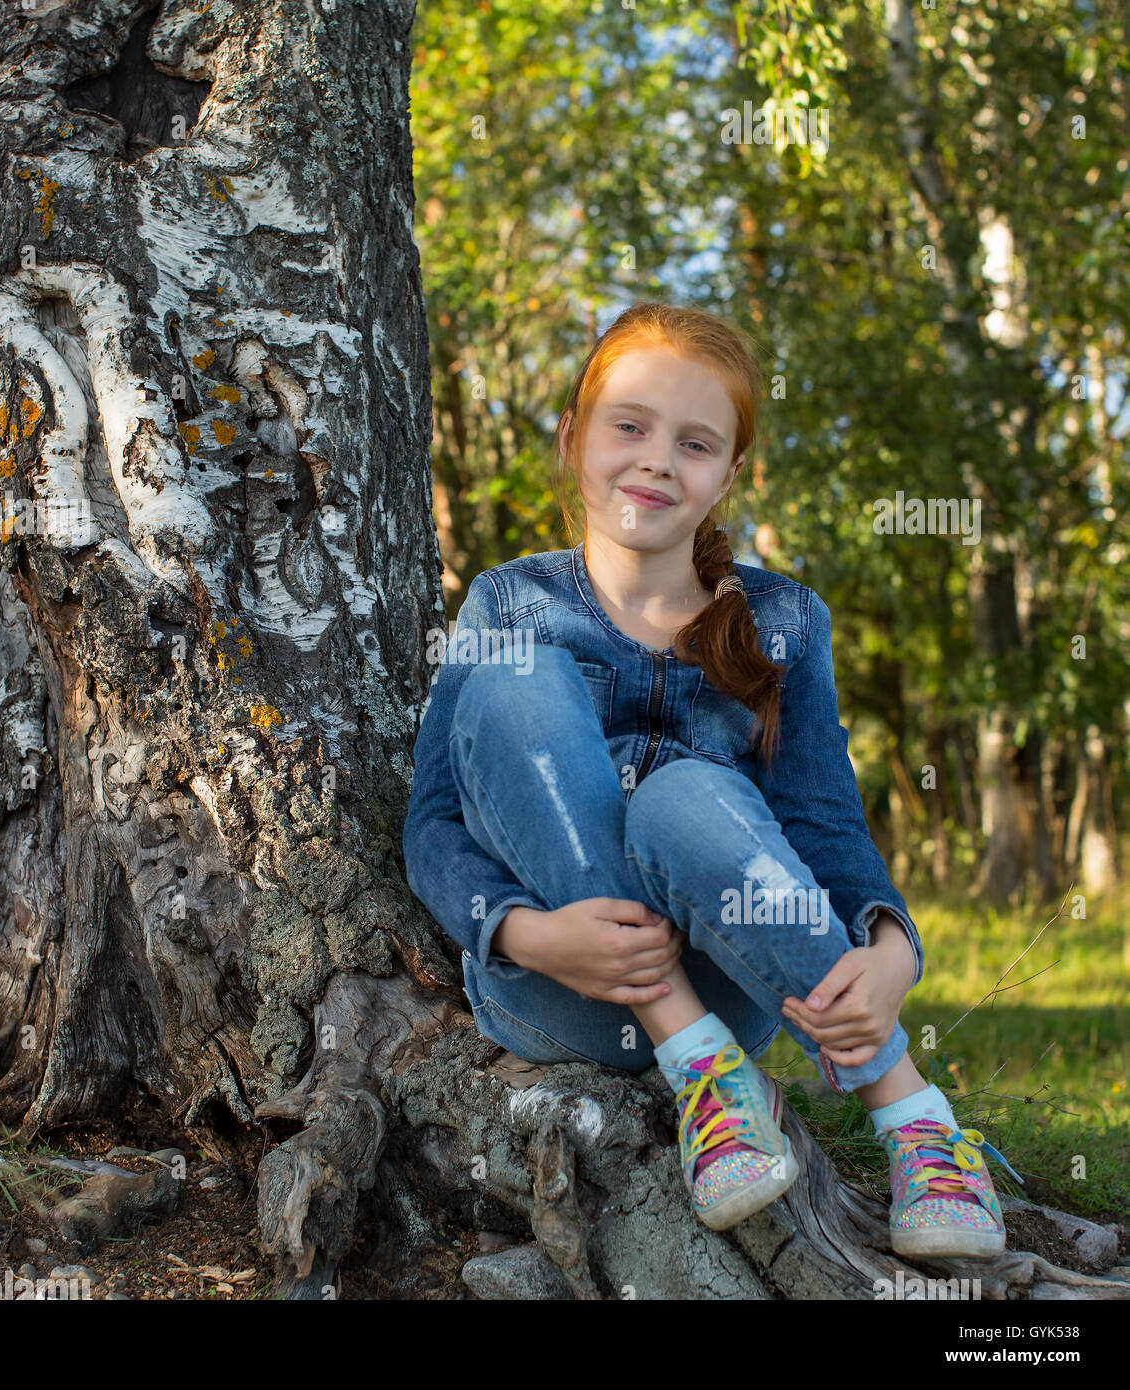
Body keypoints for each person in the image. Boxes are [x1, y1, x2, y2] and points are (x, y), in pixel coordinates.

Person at [402, 301, 1021, 1259]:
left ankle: (915, 1122)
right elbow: (434, 822)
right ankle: (698, 1068)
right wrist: (527, 932)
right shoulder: (508, 600)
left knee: (686, 798)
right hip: (557, 987)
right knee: (516, 684)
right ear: (574, 439)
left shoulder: (783, 621)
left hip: (733, 987)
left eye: (694, 442)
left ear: (729, 474)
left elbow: (824, 825)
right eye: (630, 426)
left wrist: (893, 950)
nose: (655, 460)